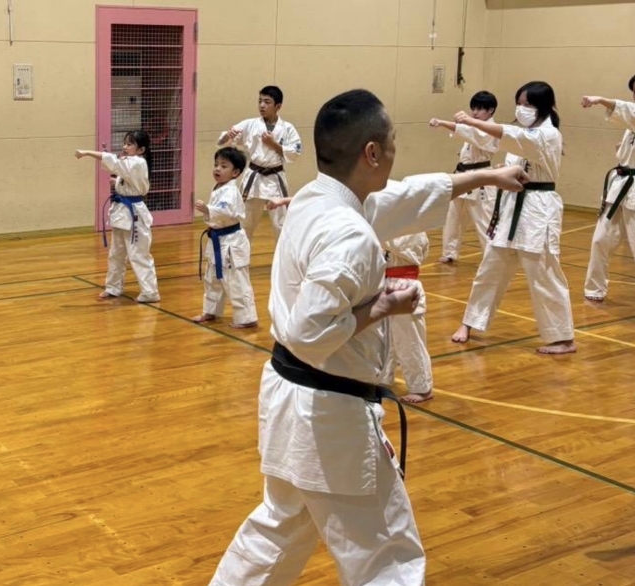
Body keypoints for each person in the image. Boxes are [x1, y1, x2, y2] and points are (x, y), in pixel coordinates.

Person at [208, 88, 527, 586]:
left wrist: (486, 175)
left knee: (280, 529)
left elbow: (404, 195)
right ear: (372, 152)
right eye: (393, 141)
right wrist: (385, 304)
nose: (396, 151)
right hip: (331, 413)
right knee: (388, 556)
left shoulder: (319, 198)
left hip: (289, 398)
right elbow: (309, 331)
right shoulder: (351, 234)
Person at [450, 81, 577, 355]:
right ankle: (469, 323)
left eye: (528, 104)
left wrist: (473, 122)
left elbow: (507, 134)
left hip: (538, 210)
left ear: (542, 107)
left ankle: (563, 338)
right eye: (519, 103)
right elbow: (507, 150)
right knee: (489, 270)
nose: (522, 109)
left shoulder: (549, 134)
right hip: (510, 209)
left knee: (543, 274)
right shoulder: (523, 134)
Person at [75, 130, 160, 303]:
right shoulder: (132, 163)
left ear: (141, 149)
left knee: (138, 254)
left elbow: (114, 161)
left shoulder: (137, 162)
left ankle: (150, 292)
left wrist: (87, 152)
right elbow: (128, 177)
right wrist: (118, 182)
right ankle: (113, 287)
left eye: (129, 144)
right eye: (125, 143)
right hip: (122, 213)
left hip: (134, 214)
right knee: (116, 253)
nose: (124, 147)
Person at [217, 85, 303, 243]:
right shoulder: (250, 124)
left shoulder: (288, 128)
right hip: (254, 178)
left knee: (281, 225)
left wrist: (274, 144)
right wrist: (226, 136)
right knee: (245, 223)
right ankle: (239, 263)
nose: (262, 105)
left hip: (275, 179)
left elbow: (295, 152)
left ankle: (283, 264)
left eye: (267, 102)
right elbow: (224, 139)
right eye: (260, 101)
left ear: (278, 106)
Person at [428, 90, 500, 263]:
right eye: (473, 108)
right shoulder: (474, 126)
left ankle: (491, 256)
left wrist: (443, 122)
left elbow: (468, 132)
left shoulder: (491, 129)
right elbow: (465, 130)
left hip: (481, 178)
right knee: (453, 216)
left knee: (483, 220)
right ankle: (450, 252)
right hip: (462, 175)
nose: (475, 112)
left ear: (490, 110)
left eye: (480, 109)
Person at [581, 76, 635, 301]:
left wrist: (602, 100)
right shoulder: (629, 126)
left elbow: (629, 111)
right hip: (620, 186)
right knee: (600, 240)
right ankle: (594, 289)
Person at [191, 147, 257, 329]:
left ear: (235, 172)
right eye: (216, 165)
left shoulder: (230, 191)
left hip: (231, 241)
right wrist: (209, 211)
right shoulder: (219, 188)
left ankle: (247, 317)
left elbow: (227, 211)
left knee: (235, 280)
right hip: (217, 240)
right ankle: (210, 310)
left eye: (223, 166)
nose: (217, 169)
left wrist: (208, 210)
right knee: (212, 277)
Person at [381, 232, 434, 404]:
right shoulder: (395, 225)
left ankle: (422, 387)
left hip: (405, 286)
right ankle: (383, 378)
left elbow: (390, 241)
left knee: (410, 341)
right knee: (386, 339)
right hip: (387, 283)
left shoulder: (412, 229)